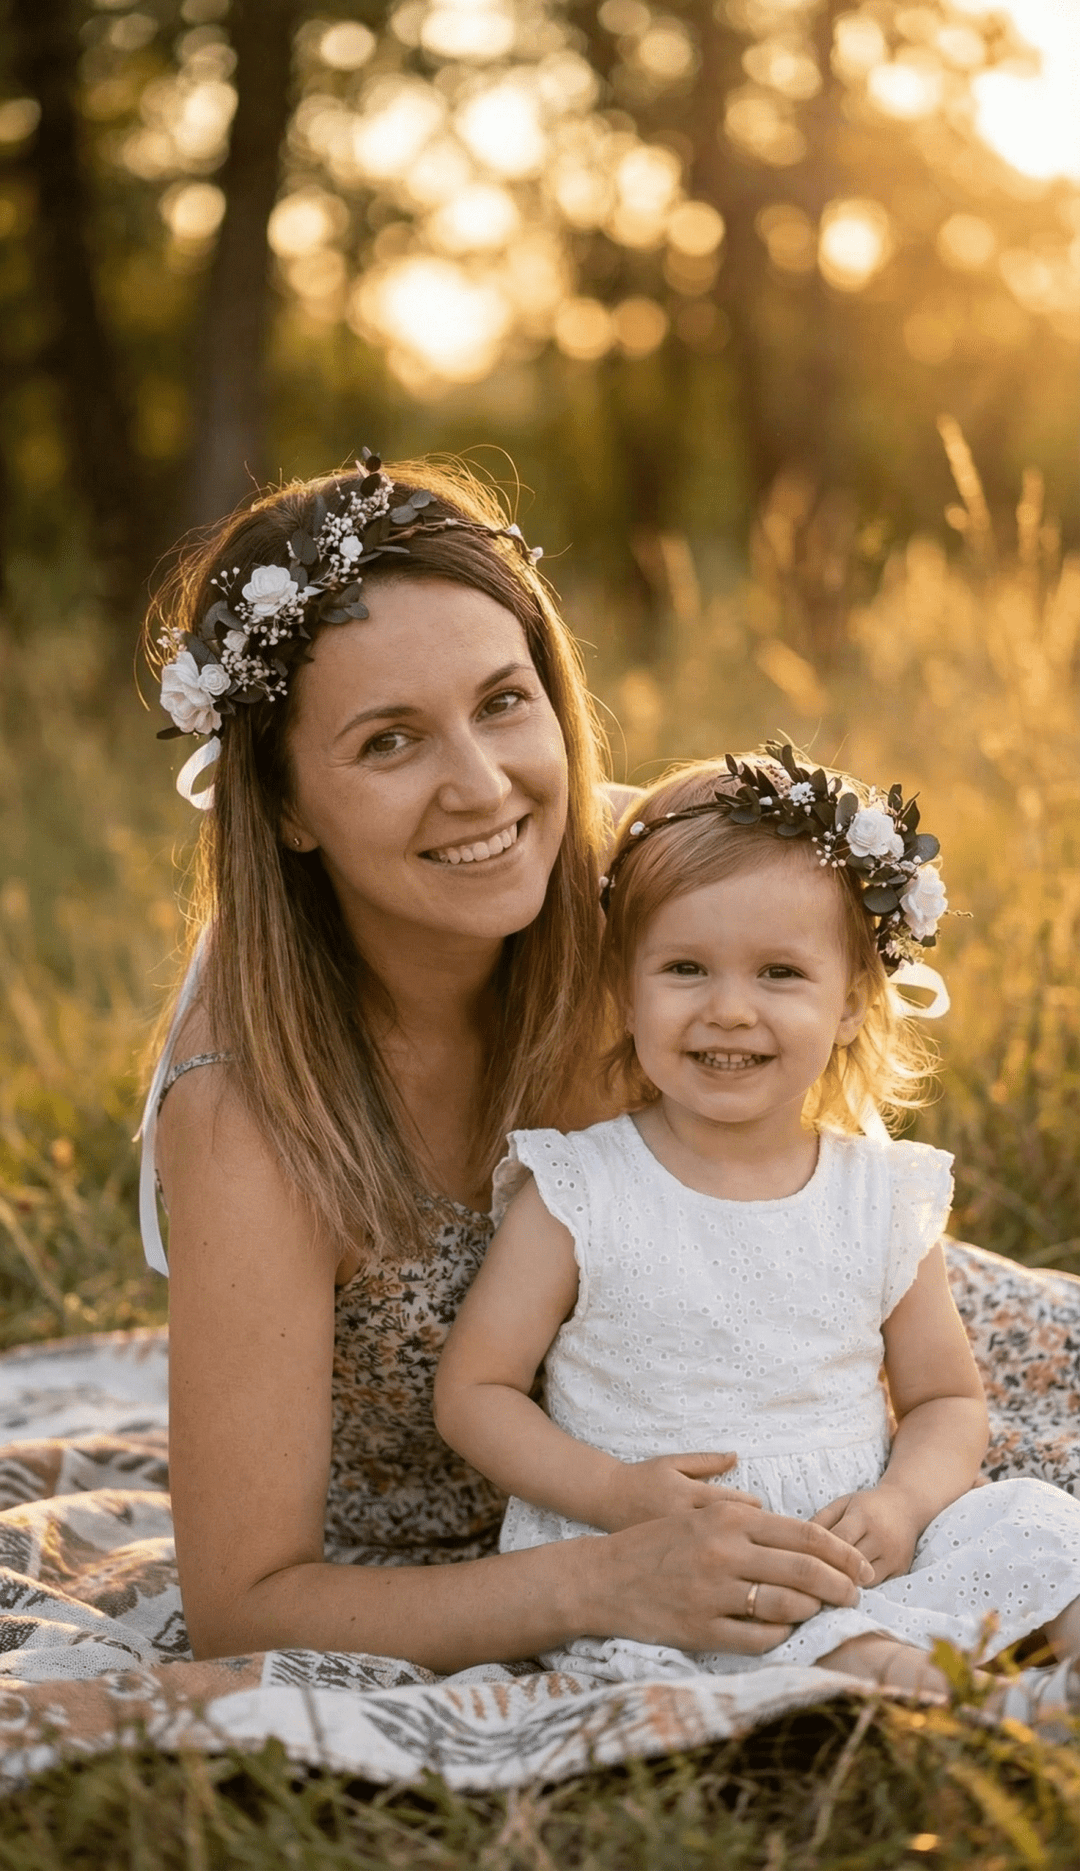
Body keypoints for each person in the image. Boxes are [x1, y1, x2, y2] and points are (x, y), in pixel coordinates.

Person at [144, 460, 874, 1673]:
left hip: (781, 1419)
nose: (483, 789)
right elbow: (241, 1609)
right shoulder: (249, 1103)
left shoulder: (637, 906)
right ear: (283, 806)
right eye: (389, 742)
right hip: (465, 1566)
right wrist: (602, 1581)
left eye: (503, 702)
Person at [435, 746, 1080, 1696]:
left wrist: (902, 1503)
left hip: (859, 1536)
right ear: (625, 988)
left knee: (1041, 1522)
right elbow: (475, 1390)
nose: (728, 1010)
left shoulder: (878, 1194)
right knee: (844, 1650)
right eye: (686, 967)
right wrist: (614, 1494)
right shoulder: (582, 1186)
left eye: (780, 972)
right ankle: (938, 1698)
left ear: (854, 1001)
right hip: (666, 1554)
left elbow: (946, 1400)